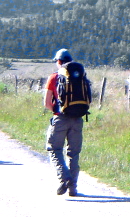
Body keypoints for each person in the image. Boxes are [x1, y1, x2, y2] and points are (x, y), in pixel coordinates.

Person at [43, 48, 85, 196]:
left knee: (54, 149)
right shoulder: (79, 76)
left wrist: (56, 111)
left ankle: (65, 177)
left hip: (60, 118)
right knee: (73, 154)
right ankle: (73, 188)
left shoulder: (54, 77)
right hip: (78, 119)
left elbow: (47, 103)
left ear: (59, 61)